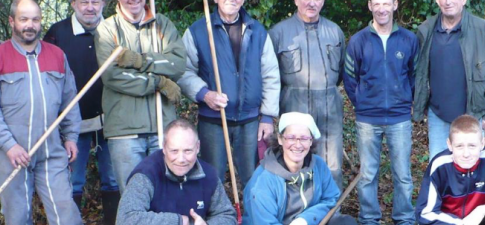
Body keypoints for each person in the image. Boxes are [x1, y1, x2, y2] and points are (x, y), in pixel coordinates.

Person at [0, 0, 107, 225]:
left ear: (40, 21)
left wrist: (71, 136)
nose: (30, 25)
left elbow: (69, 101)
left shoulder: (56, 55)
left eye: (35, 19)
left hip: (51, 150)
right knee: (17, 213)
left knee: (65, 208)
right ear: (11, 21)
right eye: (24, 19)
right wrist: (9, 146)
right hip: (12, 154)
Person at [115, 119, 249, 225]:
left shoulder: (209, 175)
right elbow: (126, 220)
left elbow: (228, 217)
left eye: (188, 151)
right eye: (174, 151)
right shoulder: (146, 174)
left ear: (197, 147)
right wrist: (179, 223)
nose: (181, 159)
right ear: (164, 148)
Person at [178, 0, 280, 187]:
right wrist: (204, 94)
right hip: (213, 120)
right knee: (211, 177)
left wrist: (267, 117)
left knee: (253, 177)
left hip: (249, 121)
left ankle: (253, 216)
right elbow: (183, 71)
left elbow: (270, 74)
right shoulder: (198, 31)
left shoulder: (257, 31)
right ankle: (215, 216)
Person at [43, 0, 120, 225]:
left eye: (95, 1)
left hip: (112, 123)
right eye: (83, 1)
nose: (90, 7)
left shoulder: (114, 29)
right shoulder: (57, 33)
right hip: (73, 127)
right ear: (73, 4)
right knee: (73, 182)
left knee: (113, 180)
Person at [343, 0, 419, 225]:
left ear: (395, 6)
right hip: (368, 118)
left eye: (387, 3)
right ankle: (369, 222)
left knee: (403, 173)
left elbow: (415, 74)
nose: (382, 8)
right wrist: (363, 103)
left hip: (399, 117)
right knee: (367, 173)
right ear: (370, 6)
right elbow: (349, 77)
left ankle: (405, 222)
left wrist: (407, 101)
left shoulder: (408, 39)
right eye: (377, 3)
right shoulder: (358, 40)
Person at [94, 0, 185, 192]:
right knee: (134, 197)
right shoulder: (107, 29)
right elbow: (112, 75)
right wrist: (158, 82)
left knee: (167, 195)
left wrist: (139, 61)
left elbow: (177, 65)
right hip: (125, 133)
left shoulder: (162, 24)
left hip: (162, 129)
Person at [413, 0, 485, 160]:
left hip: (473, 115)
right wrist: (417, 104)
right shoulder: (426, 30)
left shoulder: (481, 29)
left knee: (470, 170)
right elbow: (417, 73)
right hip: (438, 116)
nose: (448, 2)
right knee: (439, 168)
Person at [269, 0, 345, 189]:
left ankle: (331, 214)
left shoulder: (335, 32)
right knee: (294, 164)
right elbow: (269, 76)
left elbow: (342, 73)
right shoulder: (279, 33)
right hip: (294, 108)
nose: (311, 3)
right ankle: (296, 213)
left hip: (330, 111)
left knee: (332, 167)